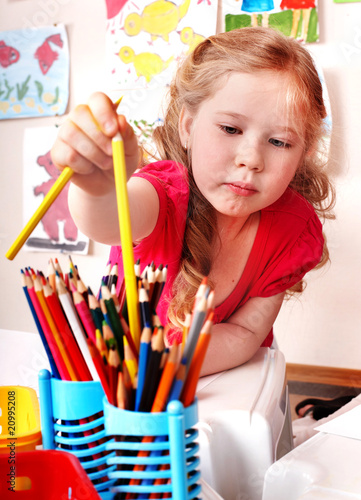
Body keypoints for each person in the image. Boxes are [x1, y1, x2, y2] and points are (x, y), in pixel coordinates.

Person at [51, 27, 335, 376]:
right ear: (188, 126)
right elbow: (110, 219)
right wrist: (98, 187)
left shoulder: (294, 229)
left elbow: (247, 333)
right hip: (121, 393)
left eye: (279, 142)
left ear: (303, 152)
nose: (251, 159)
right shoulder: (164, 193)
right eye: (231, 129)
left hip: (208, 384)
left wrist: (167, 366)